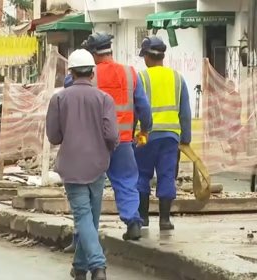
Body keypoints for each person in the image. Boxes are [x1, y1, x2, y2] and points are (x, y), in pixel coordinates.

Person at [46, 49, 119, 280]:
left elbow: (54, 137)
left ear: (71, 72)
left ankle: (96, 266)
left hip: (72, 167)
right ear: (92, 73)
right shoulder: (105, 99)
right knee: (91, 218)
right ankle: (80, 267)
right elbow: (112, 134)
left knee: (84, 217)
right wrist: (107, 149)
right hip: (98, 165)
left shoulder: (59, 98)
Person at [80, 32, 153, 241]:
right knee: (127, 181)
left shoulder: (89, 75)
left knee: (90, 187)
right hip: (123, 141)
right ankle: (133, 222)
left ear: (93, 54)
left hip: (95, 143)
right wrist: (145, 130)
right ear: (109, 51)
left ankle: (85, 234)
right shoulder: (130, 74)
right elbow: (144, 108)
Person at [135, 36, 192, 230]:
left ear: (147, 57)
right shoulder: (177, 78)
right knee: (167, 175)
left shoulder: (141, 78)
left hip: (145, 135)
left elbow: (136, 109)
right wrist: (185, 139)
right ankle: (165, 220)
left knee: (142, 174)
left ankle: (142, 218)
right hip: (170, 137)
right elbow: (185, 113)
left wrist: (131, 137)